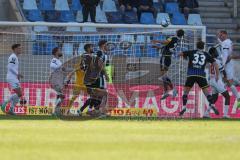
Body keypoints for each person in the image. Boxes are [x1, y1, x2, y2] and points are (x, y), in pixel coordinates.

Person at [178, 41, 220, 116]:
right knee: (207, 93)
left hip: (191, 75)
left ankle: (184, 107)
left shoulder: (192, 52)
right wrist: (217, 75)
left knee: (185, 92)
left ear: (196, 46)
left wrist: (186, 57)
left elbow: (180, 54)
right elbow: (215, 64)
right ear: (203, 47)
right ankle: (213, 105)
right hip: (201, 75)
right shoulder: (206, 54)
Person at [152, 29, 185, 100]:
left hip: (164, 58)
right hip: (168, 58)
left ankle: (169, 90)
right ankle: (169, 90)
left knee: (163, 76)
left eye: (176, 31)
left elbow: (165, 42)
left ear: (176, 33)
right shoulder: (177, 40)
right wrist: (158, 47)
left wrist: (156, 41)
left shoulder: (173, 38)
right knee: (164, 76)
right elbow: (167, 46)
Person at [203, 47, 230, 118]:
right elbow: (223, 71)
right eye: (215, 51)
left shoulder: (209, 61)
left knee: (214, 98)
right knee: (227, 96)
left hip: (211, 80)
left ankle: (206, 113)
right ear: (213, 53)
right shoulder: (217, 61)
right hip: (217, 80)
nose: (217, 52)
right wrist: (225, 78)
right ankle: (225, 115)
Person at [217, 30, 240, 108]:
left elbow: (226, 55)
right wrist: (219, 40)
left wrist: (223, 65)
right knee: (227, 82)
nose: (220, 36)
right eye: (219, 35)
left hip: (226, 64)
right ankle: (238, 97)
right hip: (227, 64)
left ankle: (238, 98)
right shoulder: (228, 42)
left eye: (221, 35)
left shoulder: (226, 43)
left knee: (228, 82)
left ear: (225, 34)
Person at [1, 44, 24, 115]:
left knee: (18, 94)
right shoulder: (13, 57)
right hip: (11, 77)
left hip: (13, 77)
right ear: (14, 49)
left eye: (20, 48)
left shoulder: (15, 57)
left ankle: (11, 109)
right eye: (19, 48)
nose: (20, 49)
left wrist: (17, 75)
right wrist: (17, 74)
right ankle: (5, 102)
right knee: (19, 93)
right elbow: (10, 67)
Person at [50, 47, 65, 116]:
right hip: (55, 79)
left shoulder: (58, 60)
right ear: (56, 52)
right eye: (60, 50)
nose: (61, 52)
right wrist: (61, 67)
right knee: (61, 96)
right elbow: (52, 66)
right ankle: (54, 110)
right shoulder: (54, 60)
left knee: (59, 96)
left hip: (59, 79)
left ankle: (56, 111)